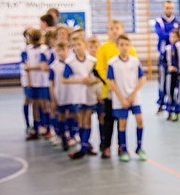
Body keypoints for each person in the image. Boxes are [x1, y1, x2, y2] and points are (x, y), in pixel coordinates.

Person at [95, 20, 137, 159]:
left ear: (122, 30)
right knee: (108, 120)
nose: (114, 31)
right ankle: (106, 146)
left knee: (122, 120)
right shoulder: (103, 48)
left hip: (124, 92)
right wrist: (110, 83)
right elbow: (100, 68)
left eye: (117, 28)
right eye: (111, 28)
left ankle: (122, 146)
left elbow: (134, 68)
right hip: (109, 92)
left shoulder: (129, 48)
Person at [106, 34, 147, 162]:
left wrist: (133, 94)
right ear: (117, 46)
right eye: (121, 45)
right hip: (120, 98)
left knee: (139, 120)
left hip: (134, 97)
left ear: (130, 46)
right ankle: (124, 150)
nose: (124, 47)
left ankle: (139, 147)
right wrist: (122, 98)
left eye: (126, 45)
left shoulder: (135, 61)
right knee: (122, 124)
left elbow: (142, 78)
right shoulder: (112, 63)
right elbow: (111, 82)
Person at [62, 32, 99, 160]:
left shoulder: (92, 61)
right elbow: (64, 79)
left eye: (79, 44)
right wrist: (79, 80)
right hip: (77, 94)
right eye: (74, 45)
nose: (77, 47)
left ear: (84, 44)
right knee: (81, 120)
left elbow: (98, 78)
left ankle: (83, 147)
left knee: (87, 119)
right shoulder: (70, 62)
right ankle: (84, 145)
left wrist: (91, 81)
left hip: (89, 94)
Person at [153, 0, 180, 113]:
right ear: (163, 8)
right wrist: (172, 34)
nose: (169, 10)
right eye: (166, 8)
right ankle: (161, 103)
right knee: (162, 81)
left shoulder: (178, 22)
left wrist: (170, 34)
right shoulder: (159, 22)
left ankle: (176, 104)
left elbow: (179, 35)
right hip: (164, 57)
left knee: (176, 82)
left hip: (177, 58)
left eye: (170, 8)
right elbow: (161, 35)